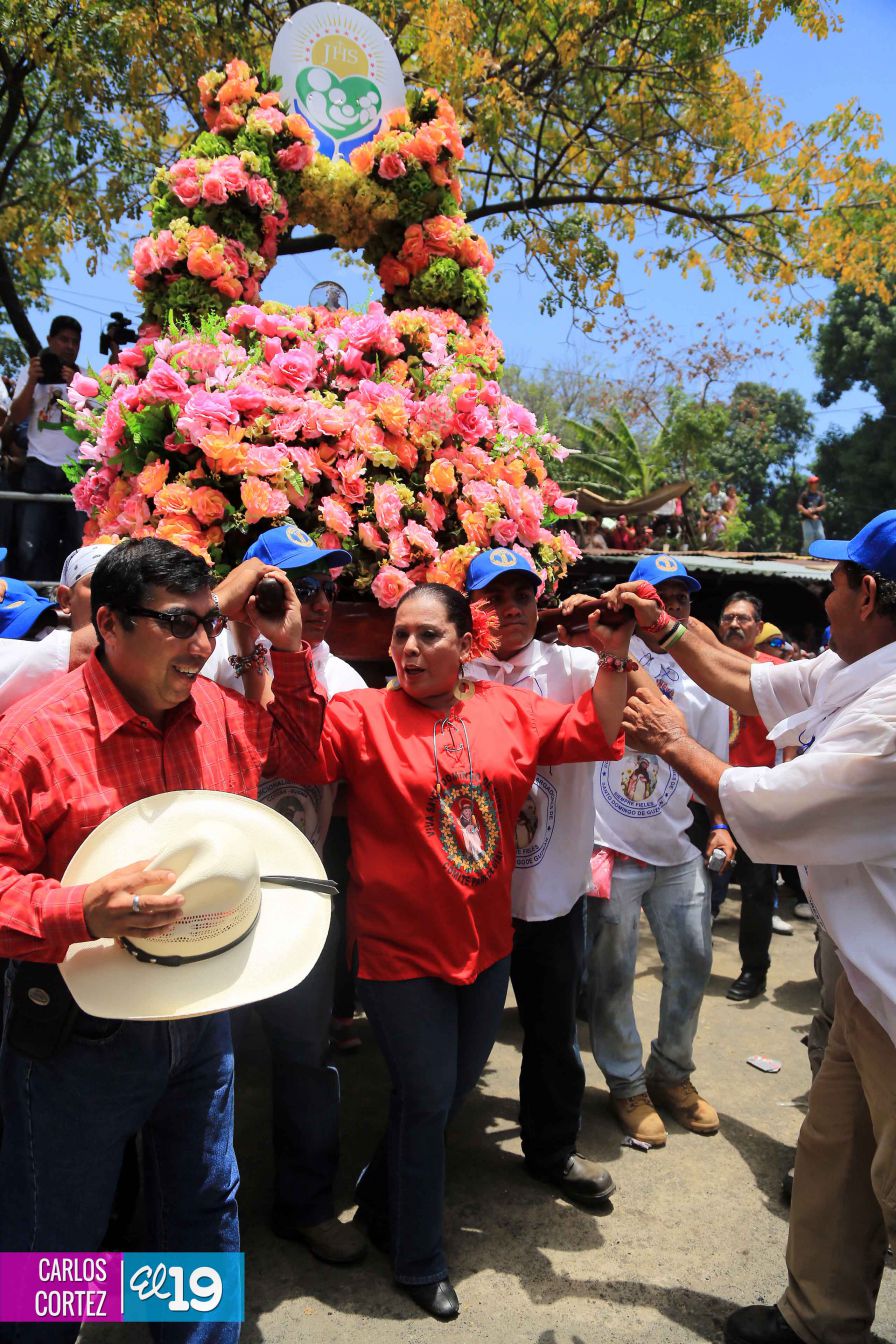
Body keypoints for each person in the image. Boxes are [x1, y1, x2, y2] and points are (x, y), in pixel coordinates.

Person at [282, 565, 631, 1320]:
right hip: (399, 954)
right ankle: (418, 1258)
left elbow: (597, 730)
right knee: (429, 1094)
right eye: (400, 635)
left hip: (487, 950)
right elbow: (296, 750)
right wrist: (281, 654)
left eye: (427, 635)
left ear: (463, 642)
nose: (408, 648)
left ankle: (379, 1202)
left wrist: (613, 656)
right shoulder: (359, 713)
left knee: (434, 1103)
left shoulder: (508, 708)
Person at [0, 536, 317, 1344]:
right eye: (180, 624)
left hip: (203, 1012)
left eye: (210, 622)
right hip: (75, 1033)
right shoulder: (30, 739)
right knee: (57, 1239)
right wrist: (80, 910)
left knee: (203, 1207)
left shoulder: (221, 713)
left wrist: (290, 649)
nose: (204, 644)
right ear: (108, 622)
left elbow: (308, 753)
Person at [603, 509, 896, 1344]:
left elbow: (775, 804)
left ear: (866, 591)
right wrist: (665, 627)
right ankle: (819, 1321)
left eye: (835, 581)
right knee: (837, 1152)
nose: (823, 599)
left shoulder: (891, 711)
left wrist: (665, 738)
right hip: (863, 977)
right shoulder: (861, 667)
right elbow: (749, 681)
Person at [202, 522, 367, 1266]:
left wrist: (289, 652)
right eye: (298, 584)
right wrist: (226, 618)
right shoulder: (197, 658)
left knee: (306, 1058)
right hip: (209, 899)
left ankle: (305, 1204)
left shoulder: (344, 679)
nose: (318, 600)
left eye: (329, 584)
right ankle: (205, 1222)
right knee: (210, 1063)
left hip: (299, 896)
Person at [465, 549, 618, 1206]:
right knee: (459, 1037)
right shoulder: (453, 669)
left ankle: (552, 1151)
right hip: (471, 894)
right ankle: (421, 1155)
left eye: (522, 596)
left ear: (540, 602)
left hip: (552, 892)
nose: (510, 610)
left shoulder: (576, 667)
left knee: (553, 1033)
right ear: (469, 607)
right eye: (493, 598)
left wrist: (610, 640)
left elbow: (624, 705)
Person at [583, 555, 732, 1147]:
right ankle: (626, 1086)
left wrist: (722, 824)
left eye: (681, 597)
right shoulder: (604, 655)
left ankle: (671, 1074)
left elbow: (712, 769)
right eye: (657, 594)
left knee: (693, 960)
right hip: (609, 846)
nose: (669, 607)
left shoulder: (706, 682)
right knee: (612, 973)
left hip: (675, 849)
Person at [712, 591, 782, 999]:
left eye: (743, 619)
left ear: (759, 627)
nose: (734, 624)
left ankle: (754, 970)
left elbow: (791, 737)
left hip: (757, 797)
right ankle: (692, 959)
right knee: (702, 884)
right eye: (727, 618)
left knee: (758, 890)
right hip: (708, 793)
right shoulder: (700, 670)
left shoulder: (776, 673)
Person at [9, 318, 85, 580]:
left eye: (75, 342)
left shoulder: (84, 377)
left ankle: (72, 599)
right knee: (29, 543)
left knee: (78, 541)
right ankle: (30, 602)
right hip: (38, 465)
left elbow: (93, 426)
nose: (69, 346)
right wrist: (32, 381)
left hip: (75, 468)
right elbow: (16, 417)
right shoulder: (31, 373)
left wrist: (77, 386)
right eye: (64, 340)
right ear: (50, 341)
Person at [0, 543, 115, 713]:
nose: (112, 594)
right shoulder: (36, 652)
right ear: (66, 599)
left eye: (127, 588)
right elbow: (81, 648)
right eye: (96, 584)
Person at [796, 474, 826, 553]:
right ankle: (806, 553)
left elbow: (824, 505)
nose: (816, 484)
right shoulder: (805, 494)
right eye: (814, 482)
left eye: (817, 482)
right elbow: (799, 506)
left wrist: (815, 509)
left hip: (817, 519)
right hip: (806, 519)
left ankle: (821, 554)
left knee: (820, 536)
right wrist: (808, 512)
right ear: (810, 484)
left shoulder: (820, 495)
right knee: (809, 535)